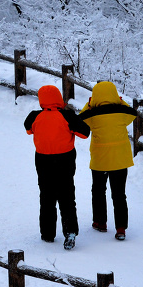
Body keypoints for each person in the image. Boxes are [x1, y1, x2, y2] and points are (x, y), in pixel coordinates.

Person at [24, 85, 90, 250]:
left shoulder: (34, 116)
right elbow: (85, 133)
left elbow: (28, 129)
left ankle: (47, 234)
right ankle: (70, 231)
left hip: (42, 160)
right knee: (67, 197)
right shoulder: (67, 116)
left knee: (46, 197)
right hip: (65, 160)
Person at [79, 81, 137, 241]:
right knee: (119, 194)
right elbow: (132, 112)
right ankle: (121, 228)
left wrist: (89, 105)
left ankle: (100, 222)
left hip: (100, 160)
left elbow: (80, 120)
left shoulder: (92, 114)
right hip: (120, 160)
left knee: (98, 191)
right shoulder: (122, 112)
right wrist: (120, 101)